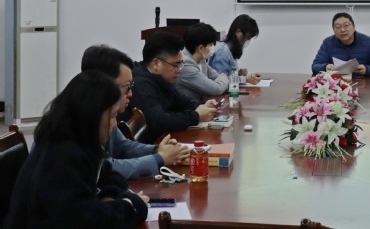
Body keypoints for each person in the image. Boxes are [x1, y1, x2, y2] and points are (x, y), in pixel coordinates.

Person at [5, 71, 149, 228]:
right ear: (93, 116)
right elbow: (89, 222)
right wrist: (131, 205)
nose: (114, 125)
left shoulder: (78, 142)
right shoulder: (63, 156)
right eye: (112, 116)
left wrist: (108, 196)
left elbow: (111, 176)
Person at [81, 44, 190, 179]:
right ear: (105, 84)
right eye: (127, 87)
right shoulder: (82, 118)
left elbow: (123, 146)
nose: (131, 94)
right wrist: (159, 159)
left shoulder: (105, 111)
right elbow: (107, 168)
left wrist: (157, 150)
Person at [126, 31, 219, 144]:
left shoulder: (161, 78)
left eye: (181, 64)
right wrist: (196, 116)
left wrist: (202, 106)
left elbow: (182, 102)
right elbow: (158, 121)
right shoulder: (140, 84)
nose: (179, 70)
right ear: (156, 64)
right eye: (176, 64)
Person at [311, 12, 370, 76]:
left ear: (354, 27)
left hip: (363, 83)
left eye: (346, 25)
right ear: (333, 30)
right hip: (337, 83)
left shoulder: (369, 42)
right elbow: (315, 66)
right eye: (338, 27)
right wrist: (325, 67)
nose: (342, 30)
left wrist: (366, 70)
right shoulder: (328, 43)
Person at [176, 22, 229, 102]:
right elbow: (216, 89)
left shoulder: (201, 59)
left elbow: (215, 76)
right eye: (211, 44)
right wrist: (223, 78)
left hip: (202, 105)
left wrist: (221, 79)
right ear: (201, 48)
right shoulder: (185, 64)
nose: (213, 47)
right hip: (187, 108)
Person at [209, 14, 263, 85]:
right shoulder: (222, 51)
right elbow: (220, 81)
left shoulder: (230, 48)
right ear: (238, 32)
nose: (247, 41)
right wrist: (245, 79)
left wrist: (238, 74)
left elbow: (228, 75)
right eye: (247, 37)